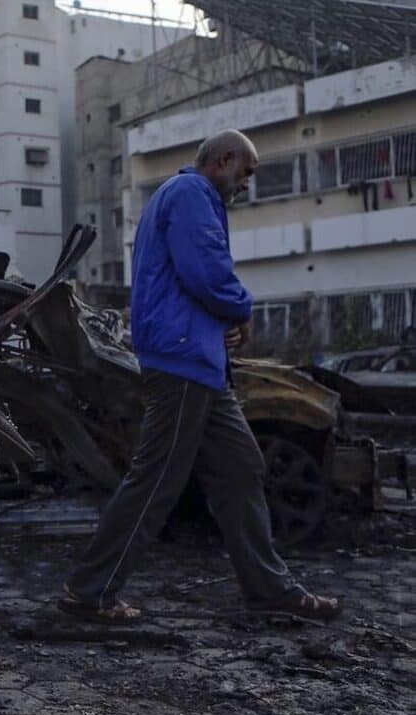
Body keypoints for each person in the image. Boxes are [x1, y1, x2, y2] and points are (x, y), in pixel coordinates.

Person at [58, 130, 341, 623]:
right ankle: (90, 591)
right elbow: (206, 271)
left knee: (241, 467)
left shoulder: (184, 196)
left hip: (198, 362)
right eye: (246, 171)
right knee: (157, 478)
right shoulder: (192, 193)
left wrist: (224, 320)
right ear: (223, 160)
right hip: (182, 360)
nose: (247, 183)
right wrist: (241, 309)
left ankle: (269, 589)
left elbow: (193, 275)